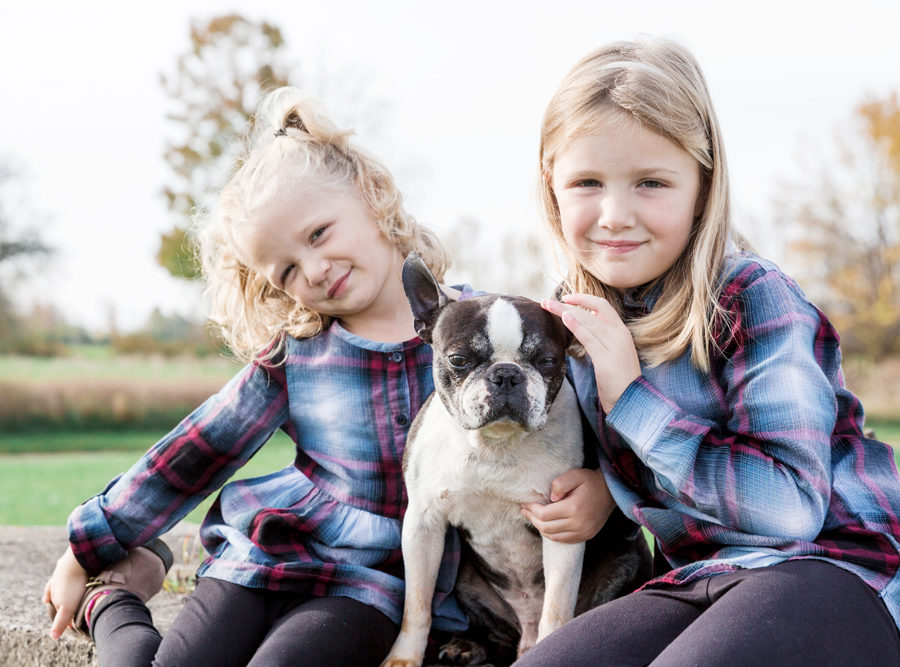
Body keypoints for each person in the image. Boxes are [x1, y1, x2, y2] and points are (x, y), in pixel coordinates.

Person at [42, 86, 471, 666]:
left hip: (369, 583)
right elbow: (195, 452)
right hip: (261, 554)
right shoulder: (295, 358)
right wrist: (83, 552)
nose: (316, 270)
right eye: (288, 268)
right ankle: (115, 600)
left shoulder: (479, 334)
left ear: (370, 196)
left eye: (319, 233)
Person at [514, 37, 900, 665]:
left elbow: (791, 509)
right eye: (586, 181)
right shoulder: (572, 318)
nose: (615, 214)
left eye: (651, 182)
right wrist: (605, 490)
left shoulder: (752, 297)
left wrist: (630, 399)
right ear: (551, 186)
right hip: (698, 578)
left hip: (833, 570)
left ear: (703, 184)